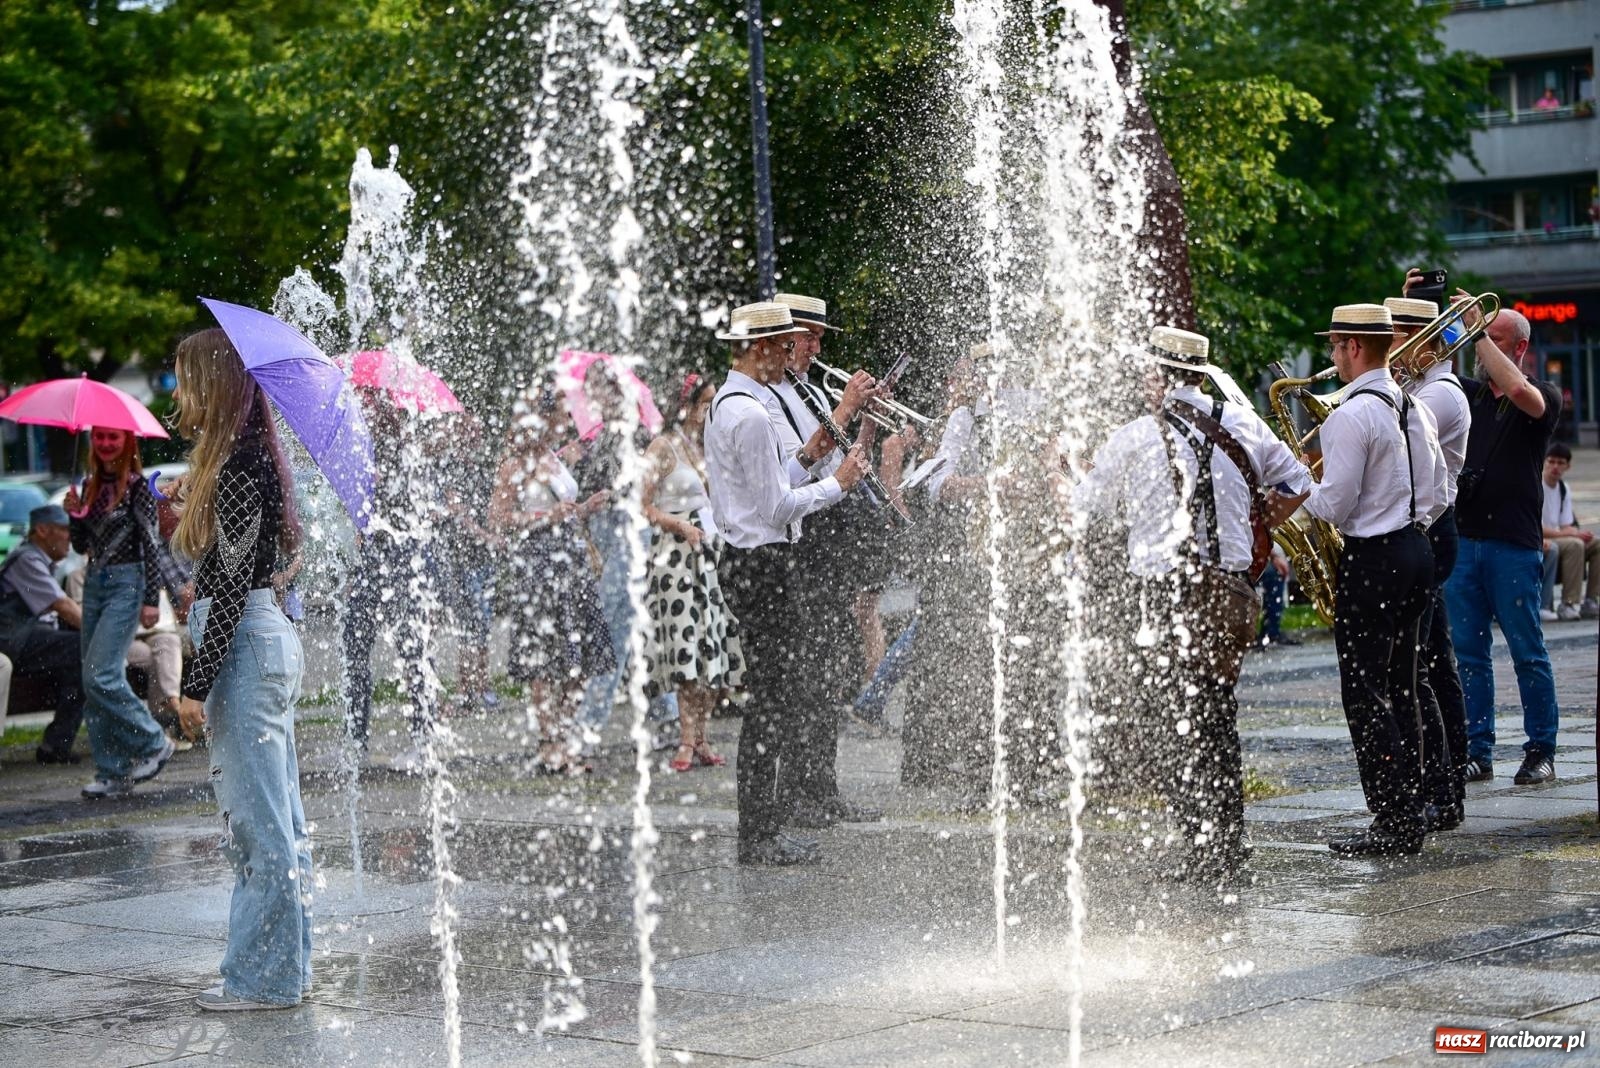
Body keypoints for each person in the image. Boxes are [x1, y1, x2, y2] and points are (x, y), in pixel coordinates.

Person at [1076, 327, 1312, 881]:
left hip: (1164, 594)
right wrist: (1264, 520)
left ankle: (1200, 844)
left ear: (1158, 375)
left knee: (1165, 720)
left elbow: (1086, 509)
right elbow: (1301, 479)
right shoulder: (1242, 422)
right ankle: (1228, 845)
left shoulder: (1133, 436)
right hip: (1231, 592)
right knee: (1216, 716)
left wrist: (1065, 474)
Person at [169, 327, 311, 1011]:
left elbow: (229, 582)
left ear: (213, 383)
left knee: (261, 826)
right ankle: (285, 972)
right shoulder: (249, 460)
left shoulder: (241, 466)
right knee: (281, 821)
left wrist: (195, 685)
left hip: (245, 647)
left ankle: (261, 982)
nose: (177, 392)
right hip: (262, 637)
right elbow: (247, 561)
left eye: (183, 377)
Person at [704, 302, 867, 866]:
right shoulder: (747, 412)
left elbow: (772, 484)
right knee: (771, 702)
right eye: (780, 346)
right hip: (762, 563)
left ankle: (766, 826)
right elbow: (775, 508)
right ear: (758, 348)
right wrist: (837, 487)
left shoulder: (731, 403)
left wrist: (813, 458)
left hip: (752, 560)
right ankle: (758, 833)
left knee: (778, 696)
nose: (787, 357)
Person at [1287, 303, 1448, 857]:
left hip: (1375, 559)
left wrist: (1292, 489)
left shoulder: (1350, 416)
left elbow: (1333, 504)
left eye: (1334, 345)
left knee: (1364, 692)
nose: (1333, 356)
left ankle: (1392, 817)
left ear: (1354, 346)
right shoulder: (1412, 405)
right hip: (1415, 549)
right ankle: (1415, 807)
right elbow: (1437, 494)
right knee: (1403, 684)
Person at [1429, 292, 1563, 787]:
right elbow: (1425, 365)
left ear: (1520, 347)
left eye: (1494, 339)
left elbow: (1518, 390)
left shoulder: (1543, 396)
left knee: (1528, 651)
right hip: (1466, 541)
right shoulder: (1469, 396)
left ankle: (1540, 750)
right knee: (1468, 654)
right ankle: (1476, 751)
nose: (1481, 348)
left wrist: (1476, 332)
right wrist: (1416, 305)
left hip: (1513, 543)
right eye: (1479, 338)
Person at [766, 293, 885, 827]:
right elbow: (800, 462)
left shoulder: (809, 389)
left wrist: (867, 427)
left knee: (833, 665)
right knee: (804, 672)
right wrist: (846, 408)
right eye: (810, 337)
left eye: (819, 338)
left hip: (833, 535)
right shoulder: (771, 396)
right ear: (786, 339)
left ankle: (822, 783)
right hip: (801, 536)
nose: (817, 347)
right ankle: (794, 792)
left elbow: (839, 459)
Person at [490, 383, 615, 775]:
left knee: (584, 655)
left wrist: (583, 509)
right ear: (543, 418)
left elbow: (566, 508)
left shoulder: (555, 458)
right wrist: (546, 518)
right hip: (539, 566)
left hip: (572, 562)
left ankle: (564, 734)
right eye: (560, 413)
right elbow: (499, 519)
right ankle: (549, 744)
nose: (567, 419)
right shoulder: (516, 465)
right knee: (544, 659)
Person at [66, 426, 190, 799]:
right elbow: (82, 545)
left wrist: (151, 599)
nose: (106, 443)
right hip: (96, 583)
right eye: (100, 437)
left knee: (101, 674)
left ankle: (154, 741)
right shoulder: (89, 487)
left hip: (128, 583)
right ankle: (112, 770)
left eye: (113, 437)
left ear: (127, 442)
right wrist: (75, 515)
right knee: (93, 680)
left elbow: (151, 545)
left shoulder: (136, 486)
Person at [1388, 294, 1472, 831]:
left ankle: (1447, 784)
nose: (1389, 347)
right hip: (1421, 527)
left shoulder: (1440, 394)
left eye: (1395, 336)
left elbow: (1390, 444)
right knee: (1427, 662)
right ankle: (1440, 782)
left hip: (1431, 529)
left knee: (1430, 665)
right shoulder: (1418, 386)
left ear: (1418, 339)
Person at [640, 372, 742, 772]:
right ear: (686, 405)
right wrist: (678, 524)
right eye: (704, 403)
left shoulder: (706, 447)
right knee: (686, 643)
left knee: (712, 643)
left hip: (709, 554)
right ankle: (685, 740)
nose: (709, 410)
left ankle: (702, 735)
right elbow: (641, 505)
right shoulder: (662, 448)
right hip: (676, 555)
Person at [342, 388, 438, 772]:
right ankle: (356, 740)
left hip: (401, 560)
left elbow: (410, 512)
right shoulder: (364, 449)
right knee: (354, 645)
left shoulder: (400, 452)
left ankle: (422, 740)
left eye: (367, 403)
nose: (361, 408)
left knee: (411, 650)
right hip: (372, 561)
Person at [0, 504, 86, 763]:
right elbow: (64, 606)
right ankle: (57, 743)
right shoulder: (27, 559)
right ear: (42, 530)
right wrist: (101, 636)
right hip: (12, 641)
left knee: (81, 658)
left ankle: (57, 744)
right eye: (64, 529)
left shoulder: (38, 559)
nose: (69, 536)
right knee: (85, 648)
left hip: (24, 639)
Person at [1540, 442, 1598, 621]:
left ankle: (1591, 600)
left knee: (1596, 543)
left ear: (1568, 466)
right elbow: (1536, 527)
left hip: (1558, 536)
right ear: (1545, 462)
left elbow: (1565, 524)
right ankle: (1568, 603)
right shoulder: (1537, 486)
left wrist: (1576, 531)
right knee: (1574, 544)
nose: (1555, 467)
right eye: (1551, 462)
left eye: (1560, 463)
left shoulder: (1563, 489)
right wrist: (1570, 534)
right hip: (1541, 538)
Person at [1254, 545, 1297, 648]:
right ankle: (1271, 632)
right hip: (1259, 557)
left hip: (1262, 555)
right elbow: (1256, 537)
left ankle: (1268, 632)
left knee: (1274, 576)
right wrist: (1273, 556)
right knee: (1275, 575)